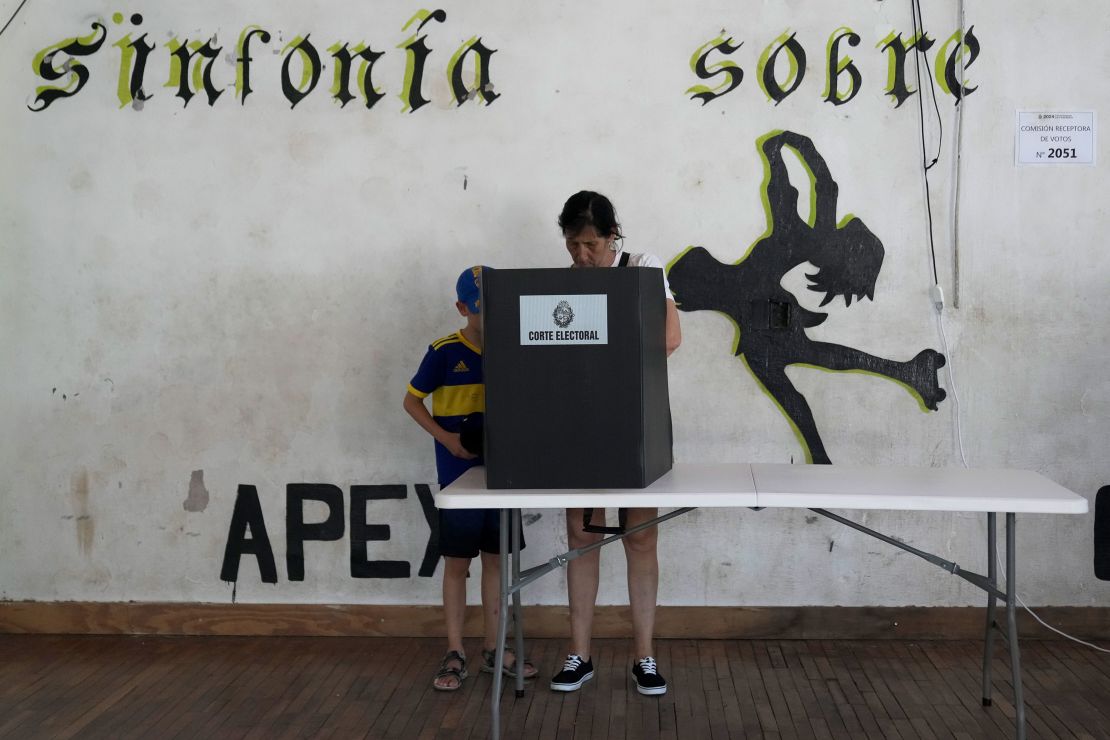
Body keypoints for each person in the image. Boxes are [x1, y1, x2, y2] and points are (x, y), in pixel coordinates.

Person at [548, 191, 681, 697]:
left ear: (611, 237)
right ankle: (578, 655)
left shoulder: (642, 268)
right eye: (572, 244)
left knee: (641, 538)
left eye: (589, 244)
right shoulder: (560, 283)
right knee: (581, 537)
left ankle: (644, 657)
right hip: (580, 422)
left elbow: (669, 337)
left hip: (634, 421)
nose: (580, 255)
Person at [403, 265, 537, 691]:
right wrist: (446, 438)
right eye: (480, 309)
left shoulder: (515, 349)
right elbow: (411, 401)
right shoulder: (443, 352)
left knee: (497, 561)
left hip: (502, 476)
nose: (490, 316)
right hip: (457, 476)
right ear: (462, 308)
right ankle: (455, 650)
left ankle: (495, 648)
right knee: (457, 564)